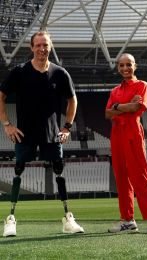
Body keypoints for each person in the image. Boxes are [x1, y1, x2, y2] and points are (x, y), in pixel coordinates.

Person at [0, 31, 84, 237]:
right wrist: (7, 124)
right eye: (37, 45)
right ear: (31, 47)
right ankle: (10, 220)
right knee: (18, 170)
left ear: (50, 46)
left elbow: (73, 100)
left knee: (59, 171)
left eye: (45, 45)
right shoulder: (19, 71)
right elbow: (0, 96)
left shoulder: (60, 73)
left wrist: (66, 127)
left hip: (52, 133)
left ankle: (68, 219)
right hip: (24, 133)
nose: (41, 49)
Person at [105, 53, 147, 234]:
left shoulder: (142, 85)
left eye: (128, 64)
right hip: (116, 135)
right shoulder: (114, 91)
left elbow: (136, 108)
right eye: (121, 65)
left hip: (133, 133)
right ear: (118, 67)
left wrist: (117, 107)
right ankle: (128, 220)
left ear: (135, 66)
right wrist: (123, 106)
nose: (125, 68)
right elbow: (107, 114)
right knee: (121, 178)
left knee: (140, 175)